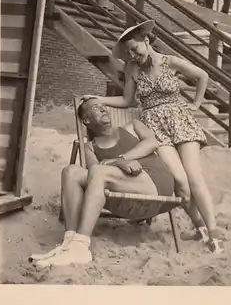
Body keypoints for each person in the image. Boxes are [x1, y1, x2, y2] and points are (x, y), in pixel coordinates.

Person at [82, 21, 223, 253]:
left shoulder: (171, 62)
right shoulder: (132, 70)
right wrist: (99, 99)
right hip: (155, 128)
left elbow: (202, 75)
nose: (132, 55)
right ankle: (201, 229)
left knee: (194, 175)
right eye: (127, 53)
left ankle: (214, 234)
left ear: (146, 41)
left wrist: (196, 104)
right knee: (180, 181)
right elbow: (127, 101)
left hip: (180, 121)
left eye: (134, 49)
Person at [29, 97, 175, 267]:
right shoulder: (90, 147)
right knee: (70, 172)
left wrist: (122, 158)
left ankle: (81, 245)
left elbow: (151, 143)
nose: (103, 109)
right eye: (96, 108)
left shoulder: (133, 126)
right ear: (86, 120)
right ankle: (70, 243)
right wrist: (119, 163)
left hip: (156, 184)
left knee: (98, 171)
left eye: (103, 106)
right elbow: (93, 177)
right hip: (125, 194)